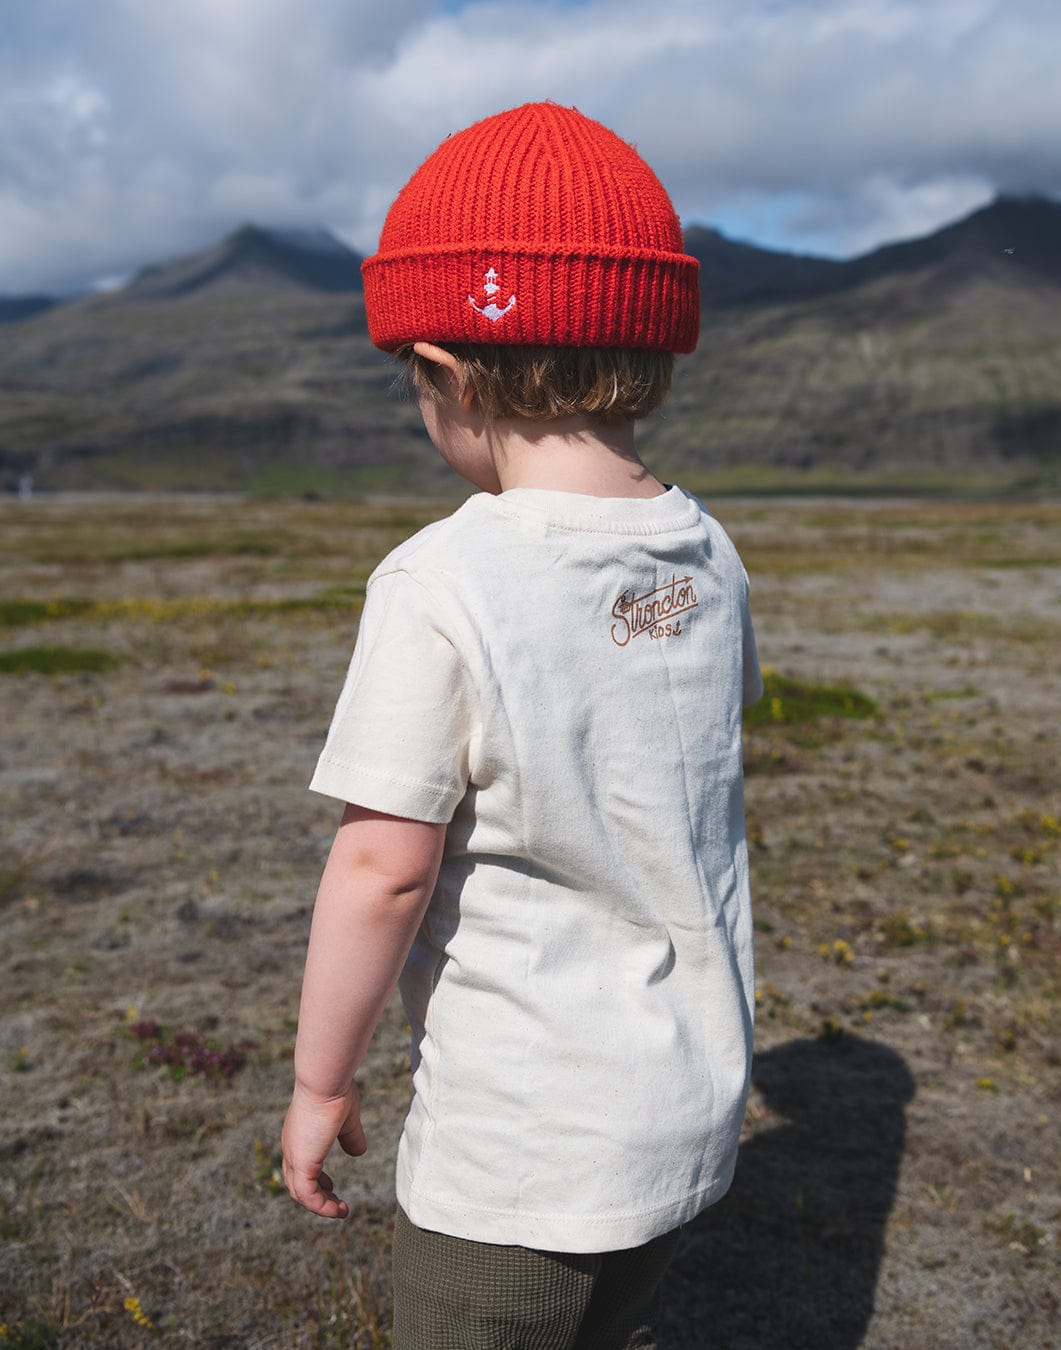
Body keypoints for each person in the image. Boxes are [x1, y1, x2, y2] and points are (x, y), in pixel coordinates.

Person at [281, 101, 764, 1350]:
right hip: (685, 1115)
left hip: (516, 1153)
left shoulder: (441, 583)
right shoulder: (709, 553)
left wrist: (318, 1082)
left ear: (445, 375)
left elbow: (384, 869)